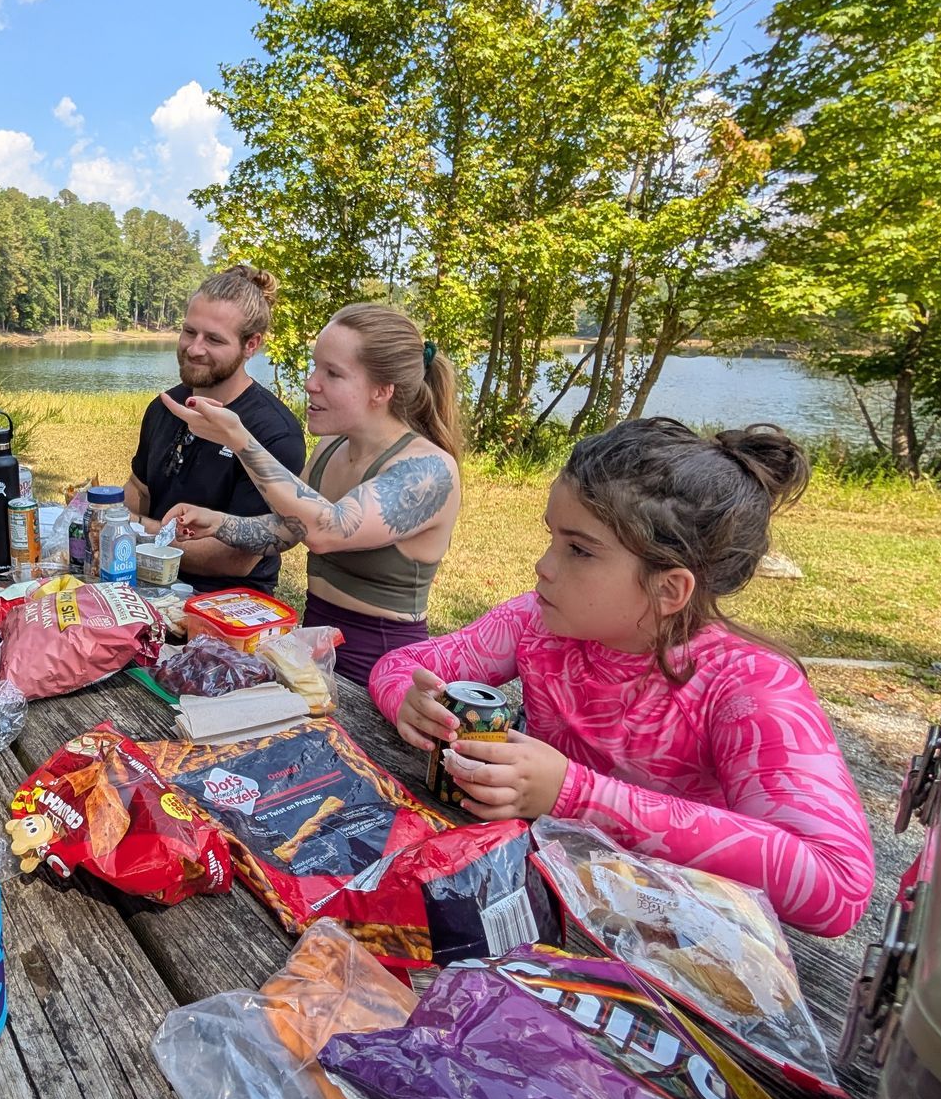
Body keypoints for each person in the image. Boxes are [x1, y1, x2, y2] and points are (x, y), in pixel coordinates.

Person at [371, 417, 876, 938]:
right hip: (539, 902)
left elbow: (836, 885)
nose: (543, 566)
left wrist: (572, 793)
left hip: (675, 940)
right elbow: (402, 666)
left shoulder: (748, 686)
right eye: (552, 539)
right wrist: (413, 705)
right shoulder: (537, 623)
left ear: (669, 588)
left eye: (579, 550)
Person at [164, 303, 462, 684]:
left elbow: (328, 531)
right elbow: (291, 529)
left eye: (333, 373)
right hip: (314, 654)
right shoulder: (331, 447)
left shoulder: (428, 471)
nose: (311, 383)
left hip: (388, 672)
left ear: (382, 390)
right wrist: (219, 522)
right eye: (315, 366)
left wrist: (241, 441)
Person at [125, 264, 306, 595]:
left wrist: (132, 530)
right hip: (144, 584)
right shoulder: (165, 406)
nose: (194, 348)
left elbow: (233, 560)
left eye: (214, 339)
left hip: (224, 605)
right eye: (189, 332)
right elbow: (140, 488)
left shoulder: (273, 432)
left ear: (251, 344)